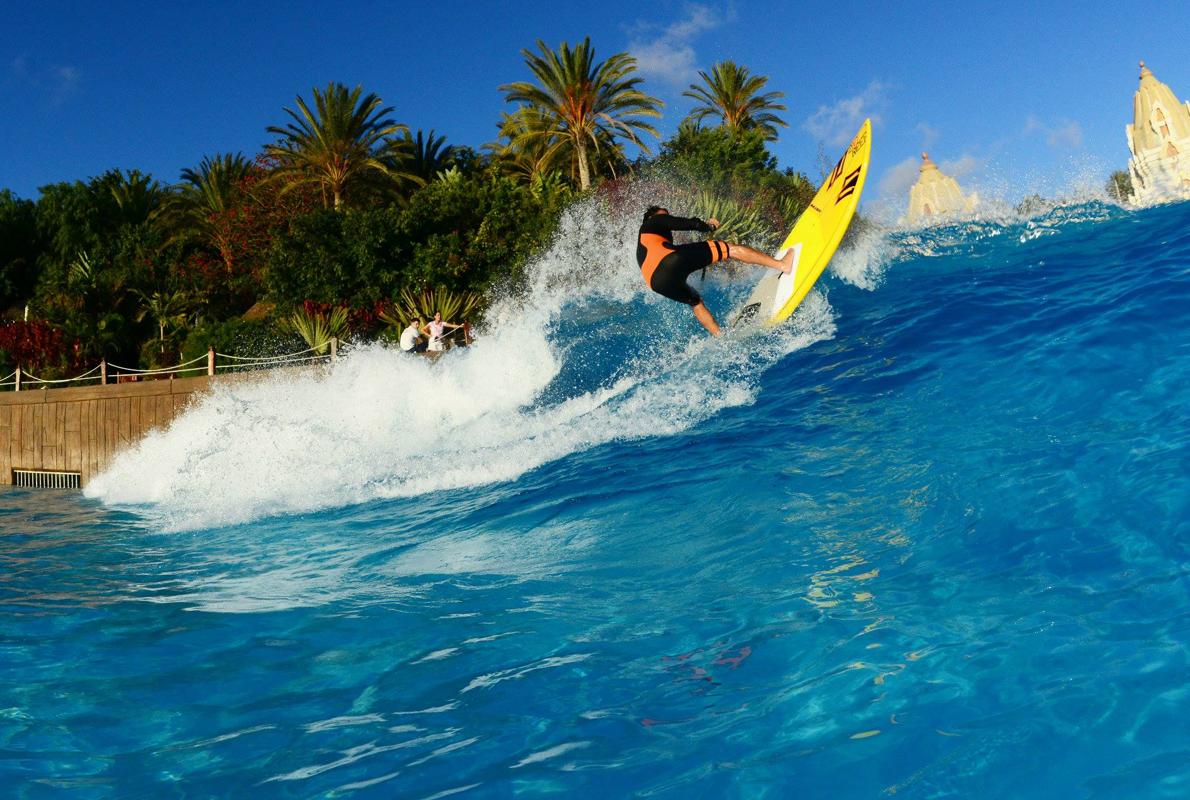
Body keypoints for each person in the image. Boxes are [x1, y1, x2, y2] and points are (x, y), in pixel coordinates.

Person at [637, 206, 796, 336]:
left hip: (656, 284)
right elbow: (683, 223)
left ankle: (720, 337)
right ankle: (782, 265)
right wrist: (707, 226)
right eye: (665, 215)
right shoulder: (652, 222)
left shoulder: (644, 242)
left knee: (695, 301)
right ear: (653, 217)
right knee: (730, 249)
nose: (667, 220)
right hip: (668, 261)